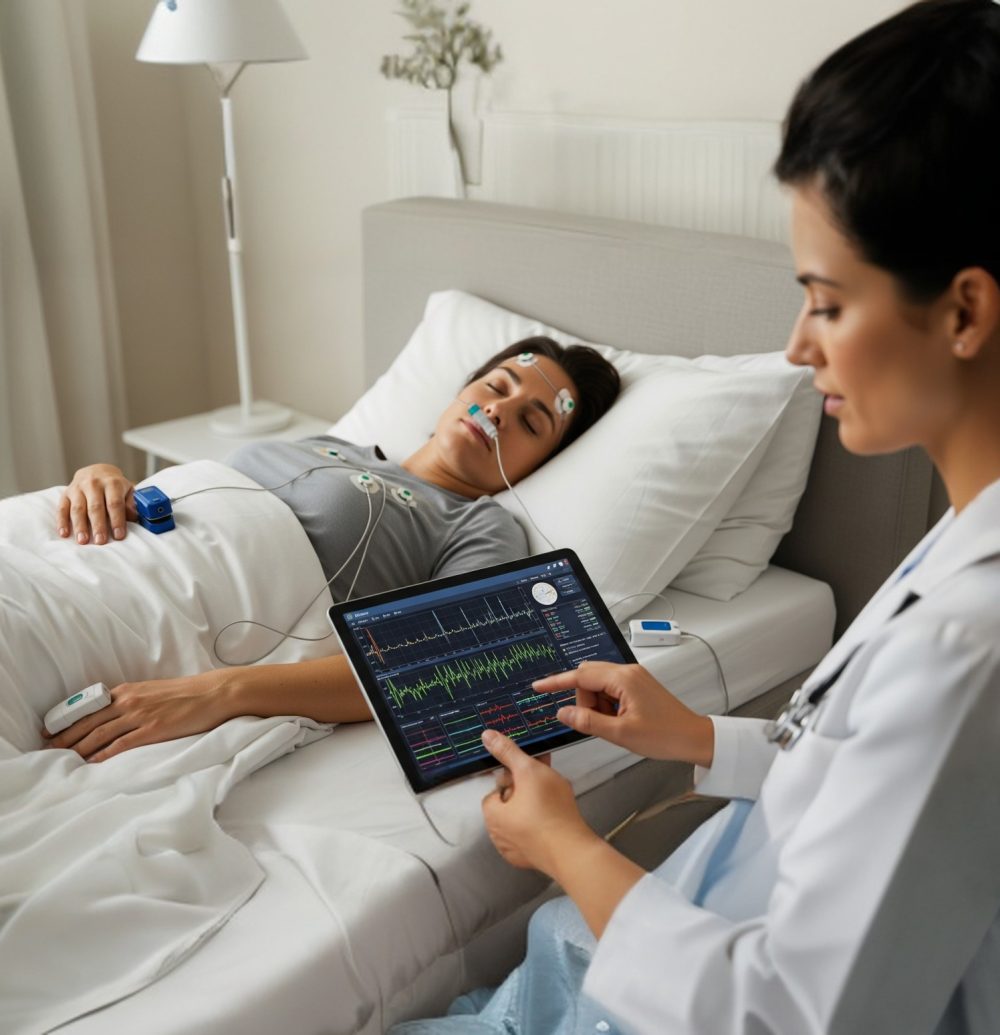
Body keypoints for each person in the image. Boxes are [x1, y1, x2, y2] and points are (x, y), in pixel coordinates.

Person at [392, 2, 1000, 1032]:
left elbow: (790, 1016)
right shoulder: (960, 541)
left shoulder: (966, 642)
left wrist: (567, 849)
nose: (800, 348)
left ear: (962, 312)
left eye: (826, 301)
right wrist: (701, 736)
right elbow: (881, 783)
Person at [40, 337, 621, 763]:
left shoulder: (478, 525)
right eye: (496, 387)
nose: (497, 411)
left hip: (138, 623)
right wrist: (102, 475)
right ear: (462, 392)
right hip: (74, 552)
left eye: (531, 421)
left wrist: (221, 694)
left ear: (543, 463)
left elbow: (428, 669)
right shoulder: (330, 445)